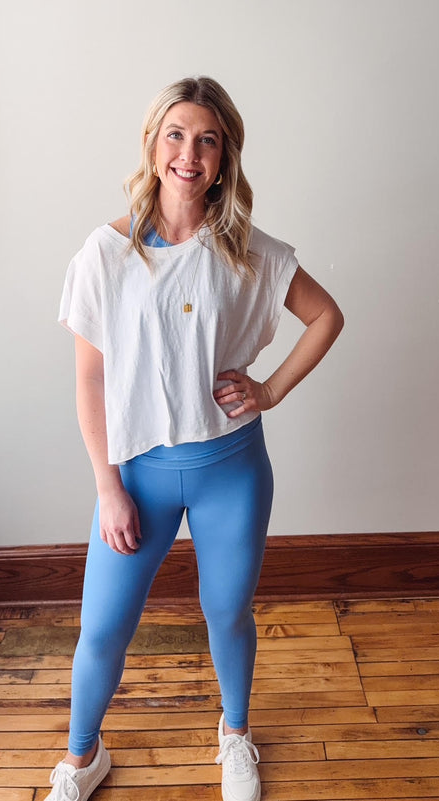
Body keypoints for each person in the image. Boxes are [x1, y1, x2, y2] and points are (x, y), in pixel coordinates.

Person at [49, 76, 344, 801]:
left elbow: (327, 316)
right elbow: (90, 381)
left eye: (207, 138)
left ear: (223, 157)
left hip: (230, 470)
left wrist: (269, 388)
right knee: (103, 627)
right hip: (139, 475)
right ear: (153, 144)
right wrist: (107, 485)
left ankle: (234, 735)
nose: (189, 151)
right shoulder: (105, 252)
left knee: (227, 611)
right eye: (176, 133)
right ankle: (83, 758)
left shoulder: (249, 250)